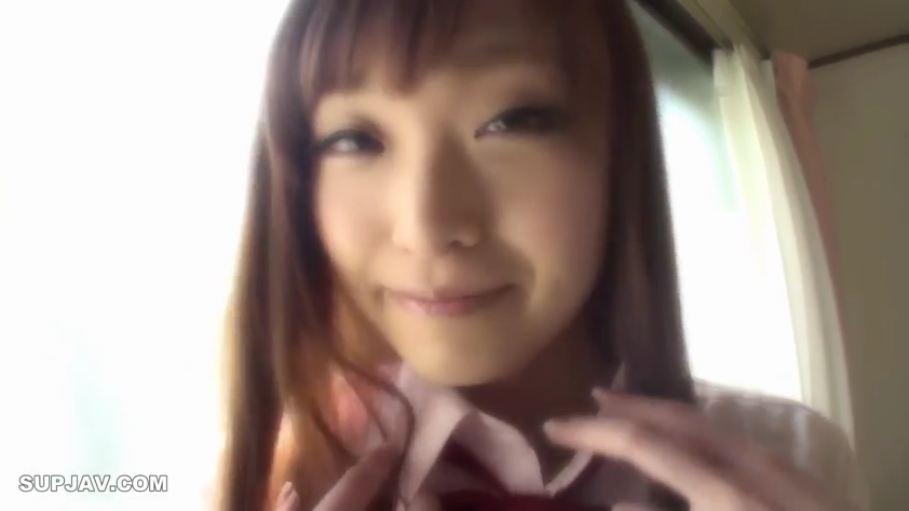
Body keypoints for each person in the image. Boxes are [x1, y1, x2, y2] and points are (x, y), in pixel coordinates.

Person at [216, 0, 867, 510]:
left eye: (511, 121)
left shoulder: (792, 459)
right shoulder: (273, 476)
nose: (427, 226)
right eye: (355, 139)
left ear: (617, 154)